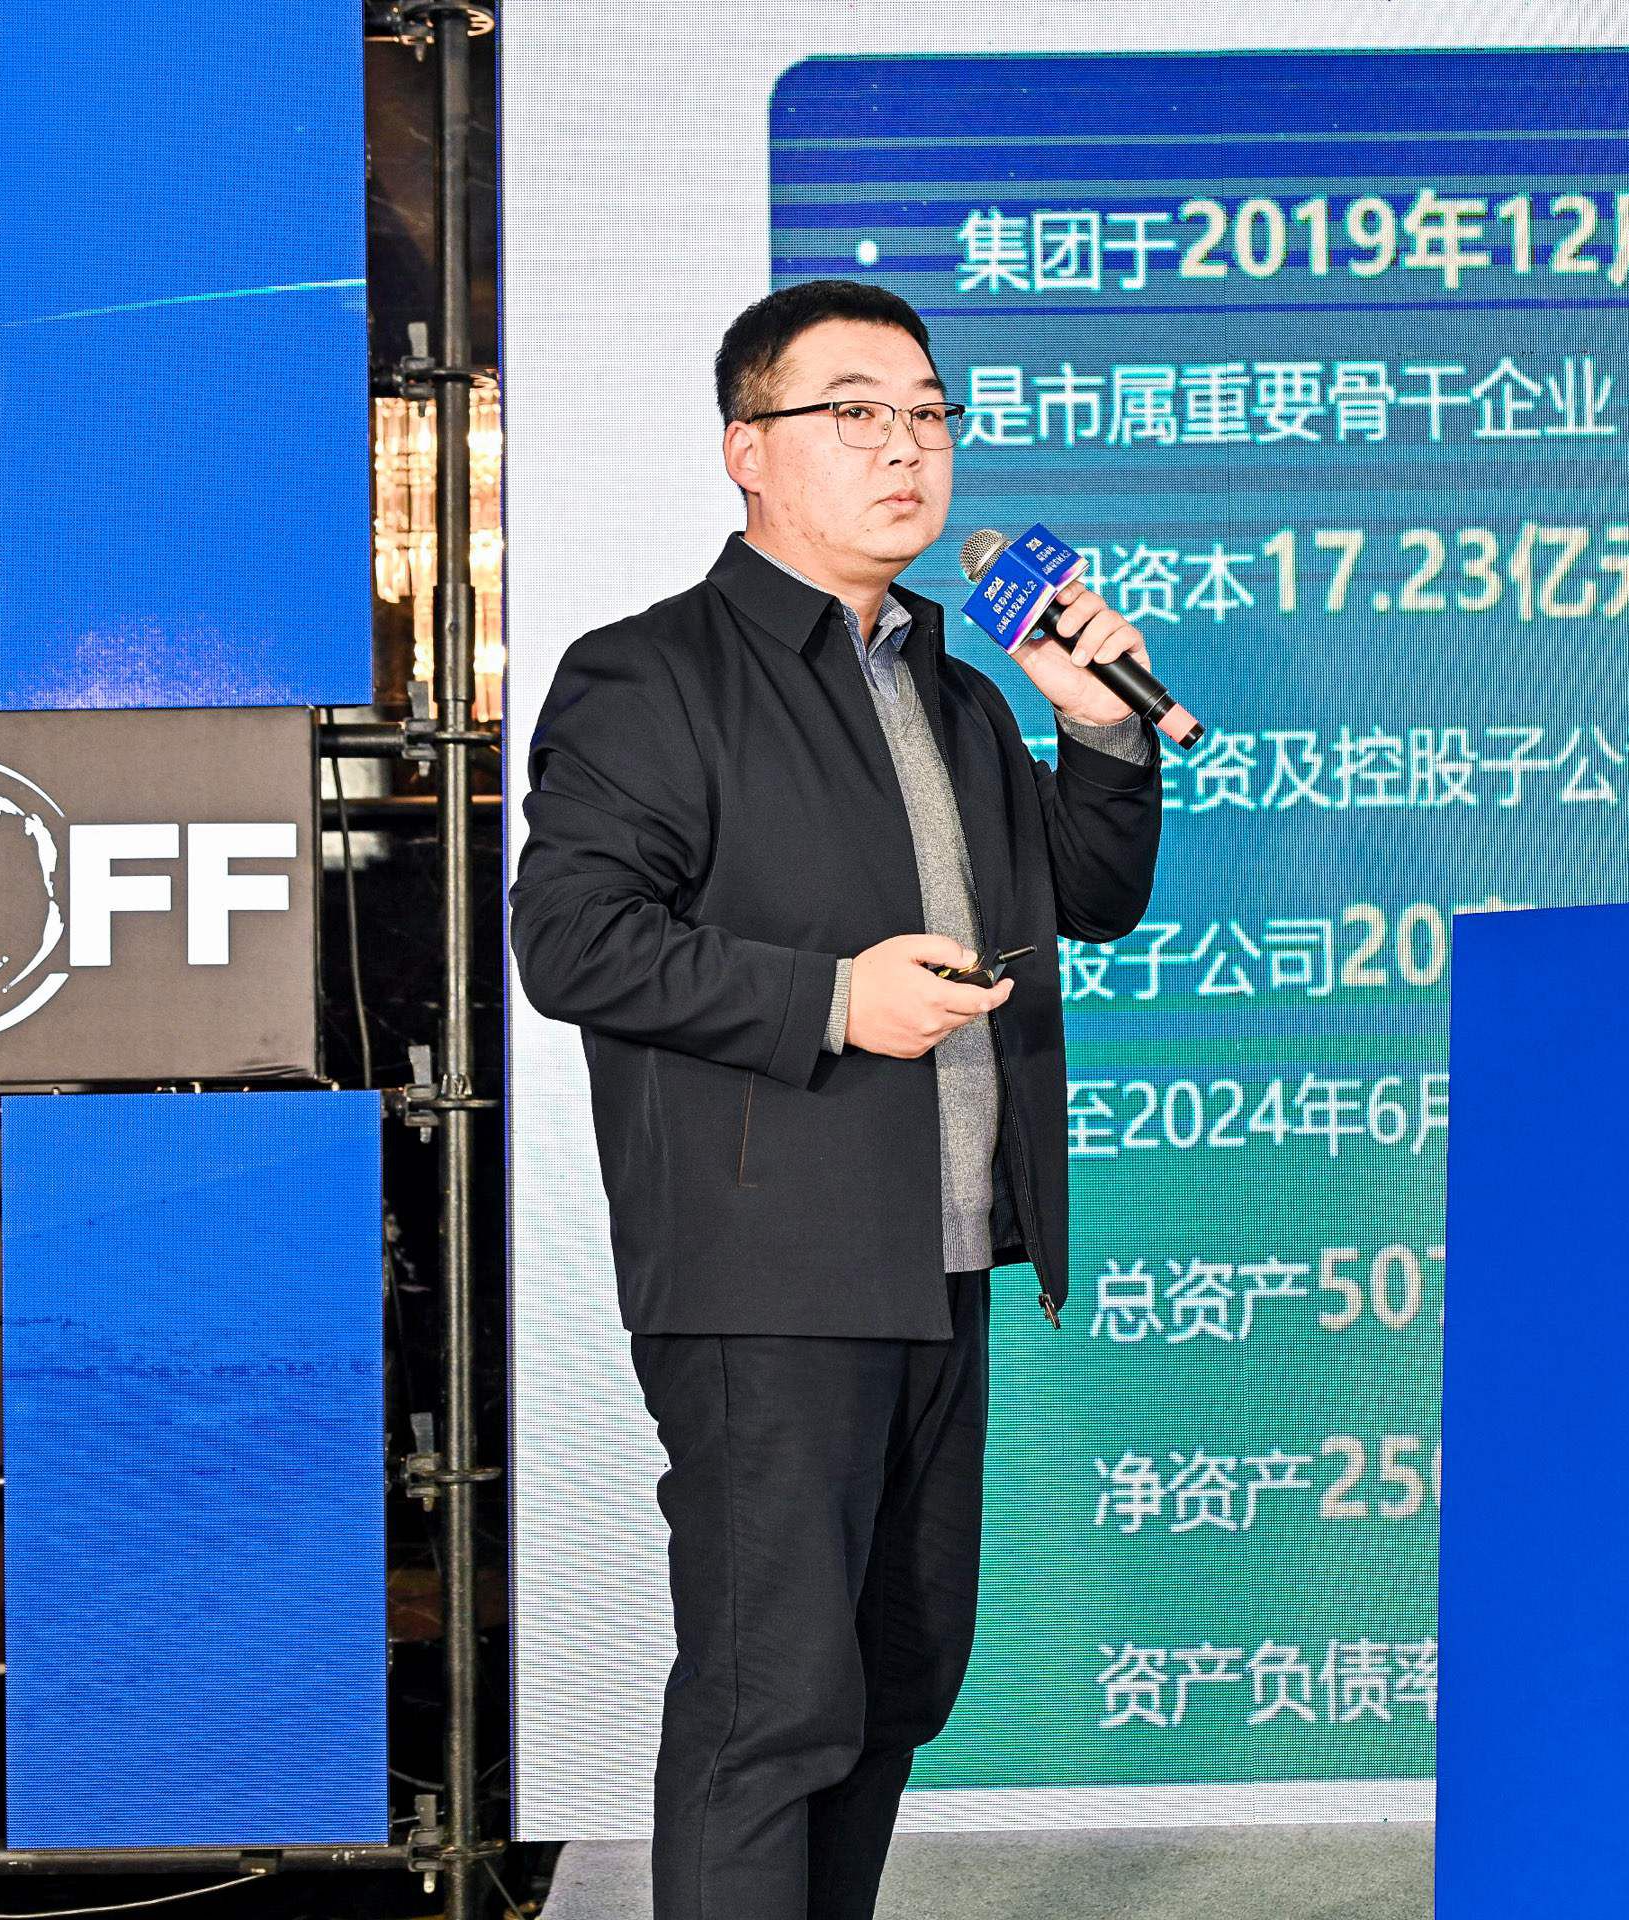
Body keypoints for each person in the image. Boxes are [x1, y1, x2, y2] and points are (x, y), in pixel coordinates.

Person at [508, 278, 1165, 1919]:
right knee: (772, 1706)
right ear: (748, 449)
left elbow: (1086, 897)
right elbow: (570, 940)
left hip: (940, 1263)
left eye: (929, 415)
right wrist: (831, 1000)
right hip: (768, 1272)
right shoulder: (650, 675)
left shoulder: (952, 686)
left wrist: (1097, 731)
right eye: (855, 413)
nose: (906, 448)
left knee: (891, 1685)